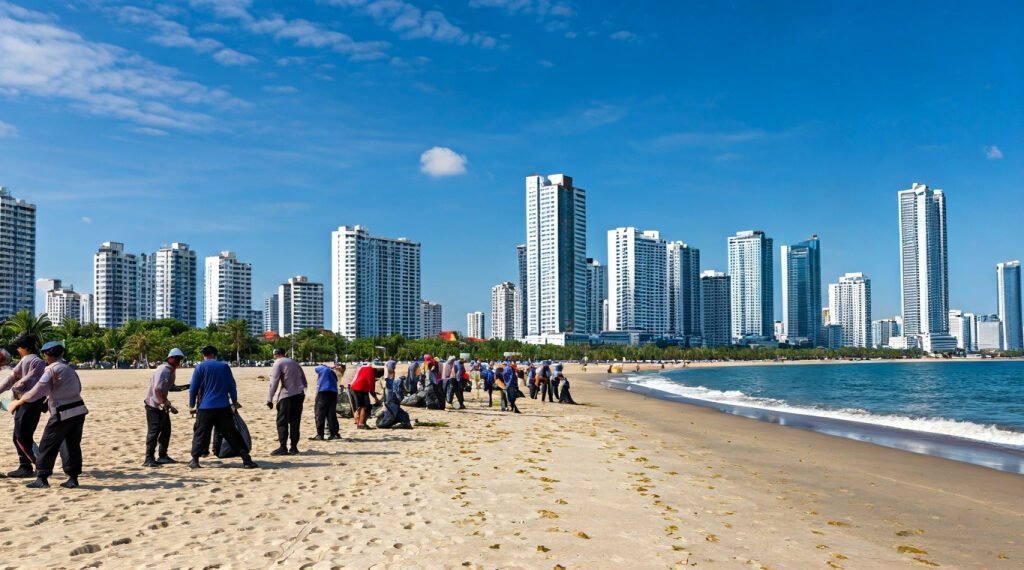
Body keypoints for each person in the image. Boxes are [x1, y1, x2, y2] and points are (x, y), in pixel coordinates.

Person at [7, 341, 86, 489]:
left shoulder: (51, 370)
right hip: (79, 410)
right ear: (62, 353)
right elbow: (78, 388)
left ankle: (42, 478)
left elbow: (38, 390)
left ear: (46, 355)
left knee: (47, 444)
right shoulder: (70, 368)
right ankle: (73, 478)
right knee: (71, 444)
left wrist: (18, 402)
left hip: (61, 413)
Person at [188, 345, 257, 469]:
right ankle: (246, 459)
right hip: (223, 407)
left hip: (205, 408)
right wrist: (234, 401)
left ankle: (195, 459)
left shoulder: (199, 367)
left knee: (201, 433)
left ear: (204, 355)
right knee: (231, 433)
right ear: (215, 354)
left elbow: (193, 388)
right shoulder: (224, 366)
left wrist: (191, 404)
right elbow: (232, 386)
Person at [0, 335, 46, 478]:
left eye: (19, 347)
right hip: (24, 402)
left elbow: (29, 379)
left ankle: (39, 466)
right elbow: (12, 377)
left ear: (26, 347)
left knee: (21, 436)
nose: (17, 350)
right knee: (19, 436)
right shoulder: (25, 360)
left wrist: (14, 389)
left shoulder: (37, 361)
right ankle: (25, 466)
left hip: (31, 402)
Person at [142, 348, 190, 467]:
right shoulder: (164, 370)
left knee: (166, 431)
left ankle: (163, 456)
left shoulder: (171, 371)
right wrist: (163, 402)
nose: (179, 362)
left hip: (161, 406)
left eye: (180, 359)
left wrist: (188, 386)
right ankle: (149, 458)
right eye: (177, 359)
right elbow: (158, 389)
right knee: (153, 432)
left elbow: (170, 387)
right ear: (171, 359)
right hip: (154, 406)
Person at [267, 348, 307, 455]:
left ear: (276, 355)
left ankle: (283, 447)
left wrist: (269, 399)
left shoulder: (278, 363)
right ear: (284, 354)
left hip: (286, 396)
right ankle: (294, 447)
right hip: (299, 395)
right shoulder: (295, 363)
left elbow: (274, 382)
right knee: (295, 421)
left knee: (282, 421)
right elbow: (304, 381)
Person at [311, 362, 343, 441]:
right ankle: (334, 433)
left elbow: (316, 368)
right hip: (333, 393)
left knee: (320, 414)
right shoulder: (333, 372)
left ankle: (320, 434)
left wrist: (327, 366)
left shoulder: (324, 369)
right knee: (331, 414)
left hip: (323, 392)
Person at [350, 365, 382, 429]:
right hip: (359, 389)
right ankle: (361, 424)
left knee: (359, 407)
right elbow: (372, 389)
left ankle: (358, 422)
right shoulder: (372, 373)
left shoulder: (364, 368)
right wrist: (376, 399)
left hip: (353, 388)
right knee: (365, 407)